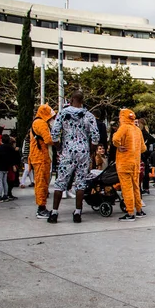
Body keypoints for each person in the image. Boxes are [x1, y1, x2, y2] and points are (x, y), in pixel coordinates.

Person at [48, 90, 99, 224]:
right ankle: (77, 212)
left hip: (67, 151)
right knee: (80, 183)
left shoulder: (63, 113)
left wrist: (59, 147)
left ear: (71, 99)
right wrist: (91, 150)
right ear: (82, 100)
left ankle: (54, 212)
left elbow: (54, 133)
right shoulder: (88, 115)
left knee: (61, 181)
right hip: (83, 151)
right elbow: (95, 136)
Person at [112, 108, 146, 221]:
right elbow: (143, 148)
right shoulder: (137, 130)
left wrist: (118, 146)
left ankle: (130, 212)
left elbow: (116, 139)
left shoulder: (124, 127)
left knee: (127, 188)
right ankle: (139, 210)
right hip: (135, 164)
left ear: (122, 117)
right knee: (136, 187)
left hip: (124, 163)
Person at [29, 104, 56, 219]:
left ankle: (42, 206)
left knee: (42, 183)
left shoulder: (38, 122)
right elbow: (48, 139)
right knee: (41, 183)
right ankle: (41, 208)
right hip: (40, 157)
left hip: (41, 157)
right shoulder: (40, 123)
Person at [136, 118, 155, 195]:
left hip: (142, 154)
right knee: (143, 171)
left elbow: (152, 139)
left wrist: (144, 143)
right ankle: (144, 187)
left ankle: (143, 187)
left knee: (142, 171)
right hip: (143, 154)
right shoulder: (142, 132)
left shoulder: (142, 133)